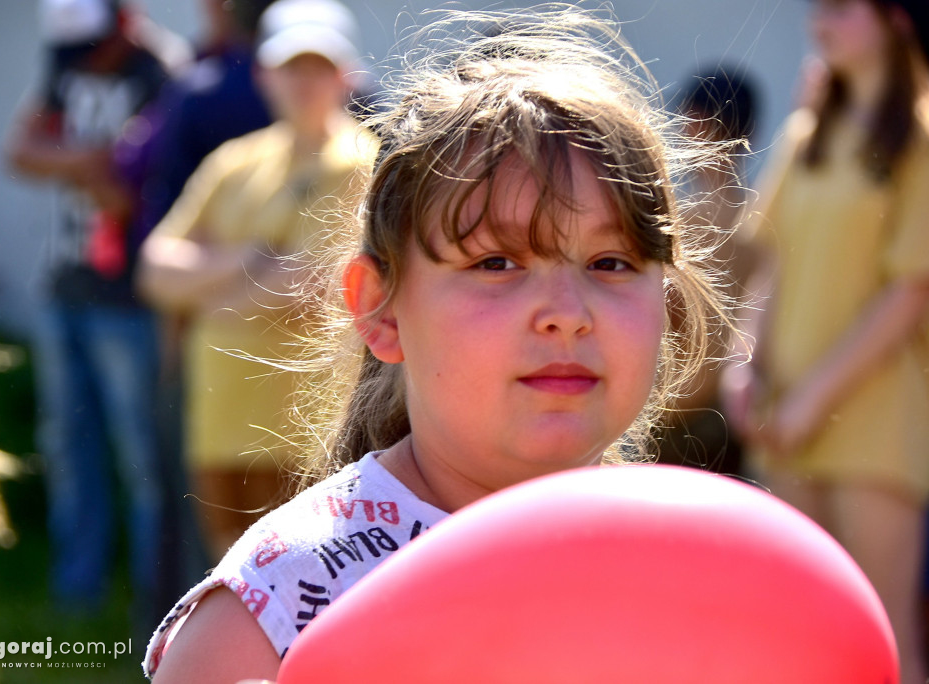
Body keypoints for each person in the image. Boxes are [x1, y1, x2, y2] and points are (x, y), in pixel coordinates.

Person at [141, 5, 733, 681]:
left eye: (612, 264)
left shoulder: (703, 576)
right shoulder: (275, 618)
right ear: (381, 311)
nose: (567, 315)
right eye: (496, 263)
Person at [724, 1, 929, 681]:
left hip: (875, 426)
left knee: (886, 642)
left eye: (843, 8)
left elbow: (910, 294)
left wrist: (813, 399)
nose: (822, 20)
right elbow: (775, 259)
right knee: (795, 642)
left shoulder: (920, 140)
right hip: (785, 419)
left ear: (897, 21)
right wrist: (746, 362)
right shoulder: (810, 130)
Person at [136, 0, 375, 562]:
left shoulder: (363, 163)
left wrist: (207, 292)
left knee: (310, 577)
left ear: (345, 76)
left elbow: (312, 286)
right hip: (220, 418)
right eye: (291, 66)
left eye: (318, 67)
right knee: (230, 574)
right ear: (265, 73)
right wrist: (249, 259)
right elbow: (153, 270)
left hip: (310, 426)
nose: (304, 82)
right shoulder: (234, 162)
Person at [2, 0, 179, 637]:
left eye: (93, 47)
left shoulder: (166, 77)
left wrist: (81, 165)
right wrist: (87, 160)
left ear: (127, 21)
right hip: (64, 288)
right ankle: (77, 594)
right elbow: (19, 150)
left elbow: (145, 191)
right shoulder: (67, 60)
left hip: (130, 303)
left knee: (143, 459)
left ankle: (155, 609)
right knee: (67, 447)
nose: (82, 63)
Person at [656, 66, 760, 475]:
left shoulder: (685, 220)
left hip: (678, 418)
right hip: (739, 415)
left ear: (699, 122)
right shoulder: (761, 216)